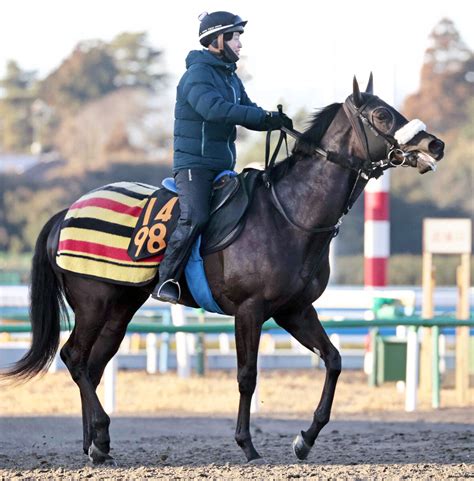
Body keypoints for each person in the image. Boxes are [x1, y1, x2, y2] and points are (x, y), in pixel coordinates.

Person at [152, 10, 293, 303]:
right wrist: (262, 116)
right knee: (196, 216)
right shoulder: (197, 75)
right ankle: (166, 279)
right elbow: (214, 110)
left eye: (240, 37)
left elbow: (247, 109)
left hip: (222, 168)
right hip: (193, 167)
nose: (240, 44)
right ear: (217, 40)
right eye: (235, 37)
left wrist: (273, 120)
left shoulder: (230, 77)